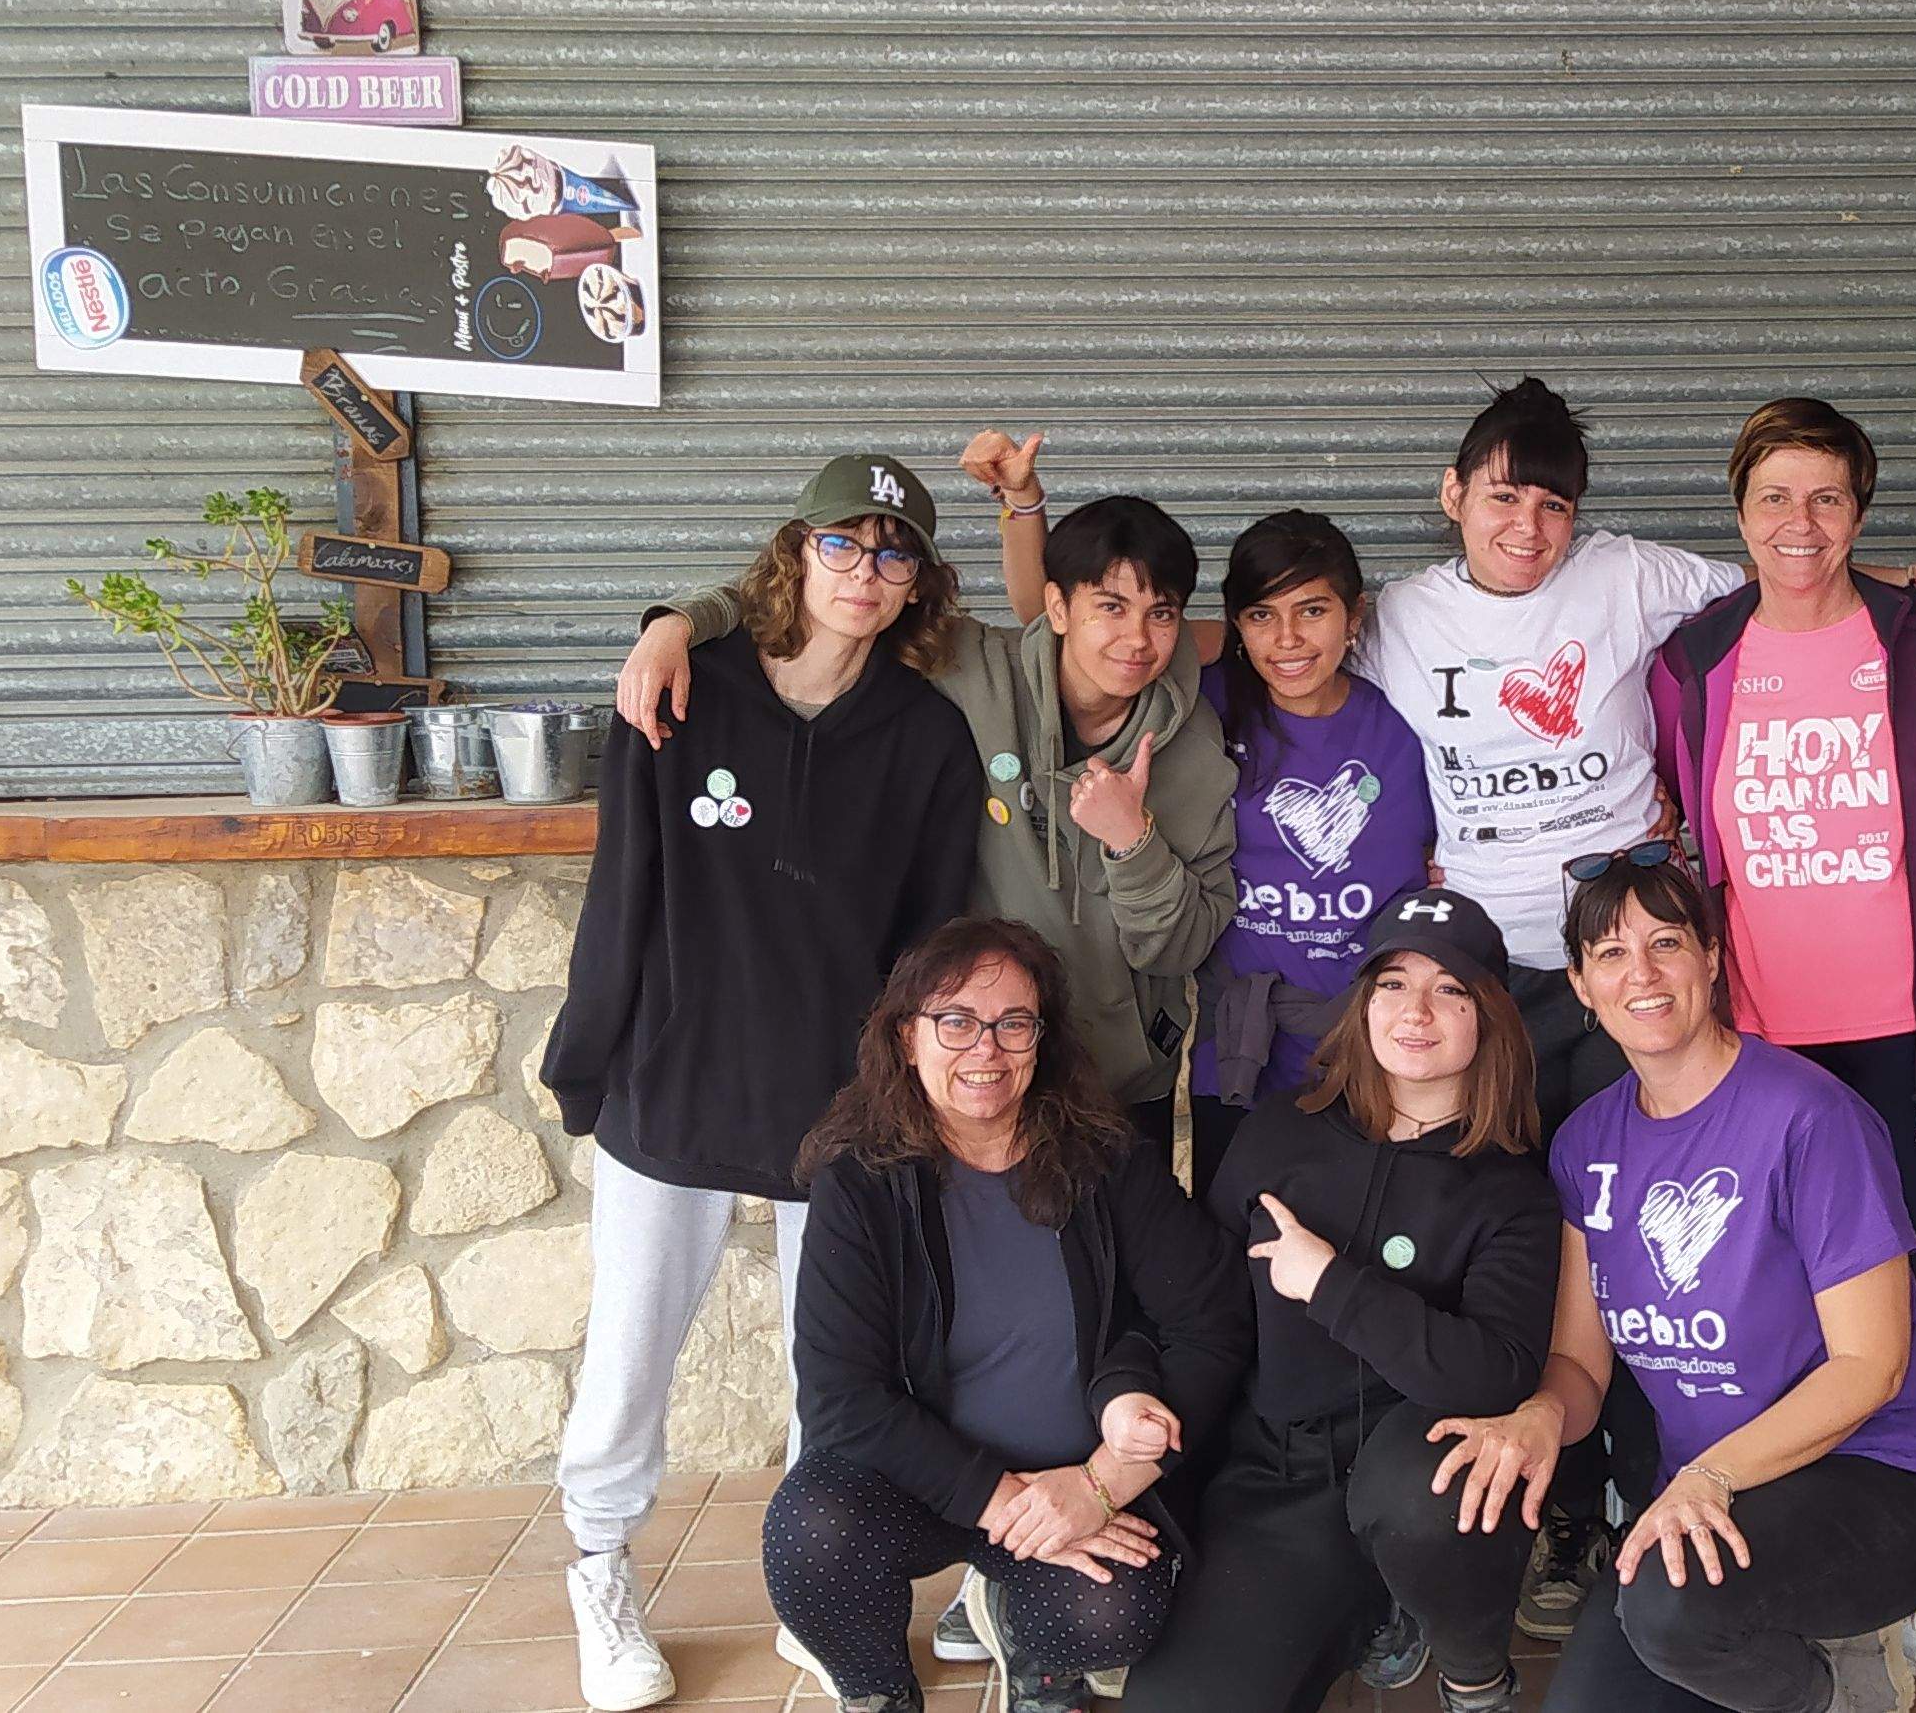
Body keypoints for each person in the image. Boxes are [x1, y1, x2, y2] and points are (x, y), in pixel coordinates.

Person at [1354, 379, 1916, 1631]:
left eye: (1554, 503)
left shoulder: (1633, 578)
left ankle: (1653, 1503)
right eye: (1503, 495)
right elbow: (1275, 645)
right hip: (1491, 976)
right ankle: (1545, 1503)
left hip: (1619, 972)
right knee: (1523, 1246)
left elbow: (1791, 562)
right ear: (1453, 495)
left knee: (1637, 1247)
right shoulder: (1398, 615)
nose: (1527, 524)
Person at [540, 457, 984, 1712]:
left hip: (835, 1103)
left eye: (893, 555)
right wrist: (593, 1053)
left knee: (829, 1363)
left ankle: (816, 1584)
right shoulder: (686, 690)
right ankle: (597, 1564)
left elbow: (928, 933)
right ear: (797, 552)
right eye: (843, 545)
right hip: (675, 1077)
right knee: (630, 1347)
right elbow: (622, 885)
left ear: (916, 587)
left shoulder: (925, 735)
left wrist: (924, 1093)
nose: (864, 574)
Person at [1641, 397, 1916, 1702]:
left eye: (1828, 499)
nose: (1800, 525)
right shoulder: (1693, 663)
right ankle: (1799, 1558)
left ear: (1864, 511)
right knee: (1776, 1314)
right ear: (1739, 513)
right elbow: (1686, 838)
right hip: (1767, 1052)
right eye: (1774, 499)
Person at [1426, 851, 1916, 1713]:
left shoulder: (1810, 1115)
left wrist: (1711, 1477)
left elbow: (1871, 1366)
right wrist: (1538, 1417)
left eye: (1666, 943)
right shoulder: (1586, 1144)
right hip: (1711, 1495)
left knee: (1675, 1612)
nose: (1640, 974)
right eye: (1609, 954)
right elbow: (1581, 1362)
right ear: (1579, 983)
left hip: (1877, 1475)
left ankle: (1833, 1695)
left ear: (1713, 959)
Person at [617, 442, 1242, 1136]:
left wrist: (1135, 843)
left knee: (1123, 1248)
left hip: (1122, 1083)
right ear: (1059, 607)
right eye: (1112, 608)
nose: (1135, 638)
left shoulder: (1195, 748)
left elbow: (1182, 947)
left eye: (1161, 614)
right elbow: (846, 597)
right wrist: (676, 623)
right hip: (982, 1074)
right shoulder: (979, 668)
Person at [766, 917, 1252, 1713]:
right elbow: (838, 1395)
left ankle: (1040, 1663)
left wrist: (1103, 1483)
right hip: (927, 1477)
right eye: (955, 1022)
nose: (985, 1049)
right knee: (810, 1537)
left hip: (1078, 1470)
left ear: (1042, 1040)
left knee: (1106, 1616)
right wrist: (1003, 1502)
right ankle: (877, 1691)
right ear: (905, 1036)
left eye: (1012, 1024)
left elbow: (1214, 1323)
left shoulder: (1107, 1157)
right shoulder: (860, 1180)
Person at [1125, 889, 1556, 1713]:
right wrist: (1127, 1395)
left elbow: (1497, 1372)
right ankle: (1361, 1613)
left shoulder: (1510, 1187)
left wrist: (1328, 1284)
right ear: (1362, 1003)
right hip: (1281, 1484)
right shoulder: (1283, 1128)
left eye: (1451, 989)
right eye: (1392, 983)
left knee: (1421, 1500)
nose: (1415, 1011)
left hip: (1416, 1484)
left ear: (1490, 1016)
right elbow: (1194, 1307)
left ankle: (1467, 1661)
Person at [1188, 509, 1438, 1195]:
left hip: (1384, 1048)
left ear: (1354, 615)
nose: (1288, 640)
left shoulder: (1405, 718)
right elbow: (1078, 638)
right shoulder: (1202, 709)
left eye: (1313, 610)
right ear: (1235, 625)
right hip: (1244, 1050)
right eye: (1261, 616)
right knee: (1237, 1259)